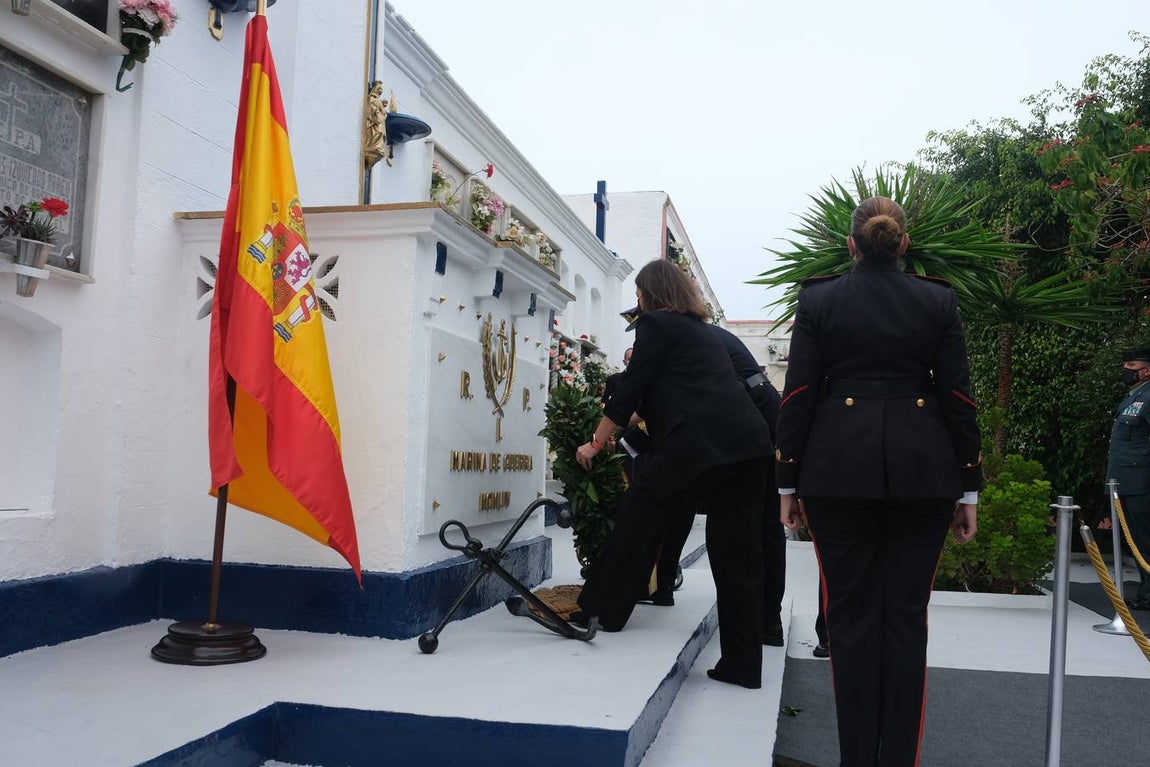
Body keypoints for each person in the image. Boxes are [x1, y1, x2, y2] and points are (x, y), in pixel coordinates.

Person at [776, 196, 981, 765]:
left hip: (836, 475)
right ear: (904, 243)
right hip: (925, 474)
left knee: (849, 620)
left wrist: (787, 482)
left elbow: (798, 394)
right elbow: (958, 398)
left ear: (851, 245)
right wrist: (969, 486)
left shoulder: (818, 299)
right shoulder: (938, 299)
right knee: (907, 620)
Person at [574, 258, 772, 689]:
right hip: (748, 447)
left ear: (651, 294)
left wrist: (595, 442)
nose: (638, 302)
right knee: (737, 556)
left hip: (695, 447)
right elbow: (660, 396)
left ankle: (601, 611)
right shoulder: (700, 331)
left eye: (639, 294)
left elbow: (629, 392)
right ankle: (742, 664)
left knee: (636, 518)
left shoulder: (656, 325)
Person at [1107, 348, 1150, 611]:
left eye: (1131, 365)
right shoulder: (1134, 396)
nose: (1126, 369)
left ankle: (1148, 593)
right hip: (1126, 478)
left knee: (1144, 538)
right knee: (1136, 537)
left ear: (1147, 370)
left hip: (1141, 480)